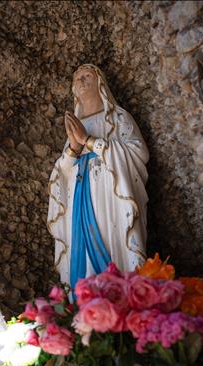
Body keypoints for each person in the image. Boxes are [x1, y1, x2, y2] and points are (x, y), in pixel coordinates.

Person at [47, 64, 149, 301]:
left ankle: (122, 299)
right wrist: (73, 149)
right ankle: (85, 304)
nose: (80, 81)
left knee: (110, 239)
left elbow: (138, 152)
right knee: (81, 248)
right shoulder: (75, 125)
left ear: (100, 83)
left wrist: (90, 141)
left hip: (110, 196)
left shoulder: (117, 118)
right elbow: (62, 172)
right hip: (80, 196)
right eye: (77, 78)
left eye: (87, 76)